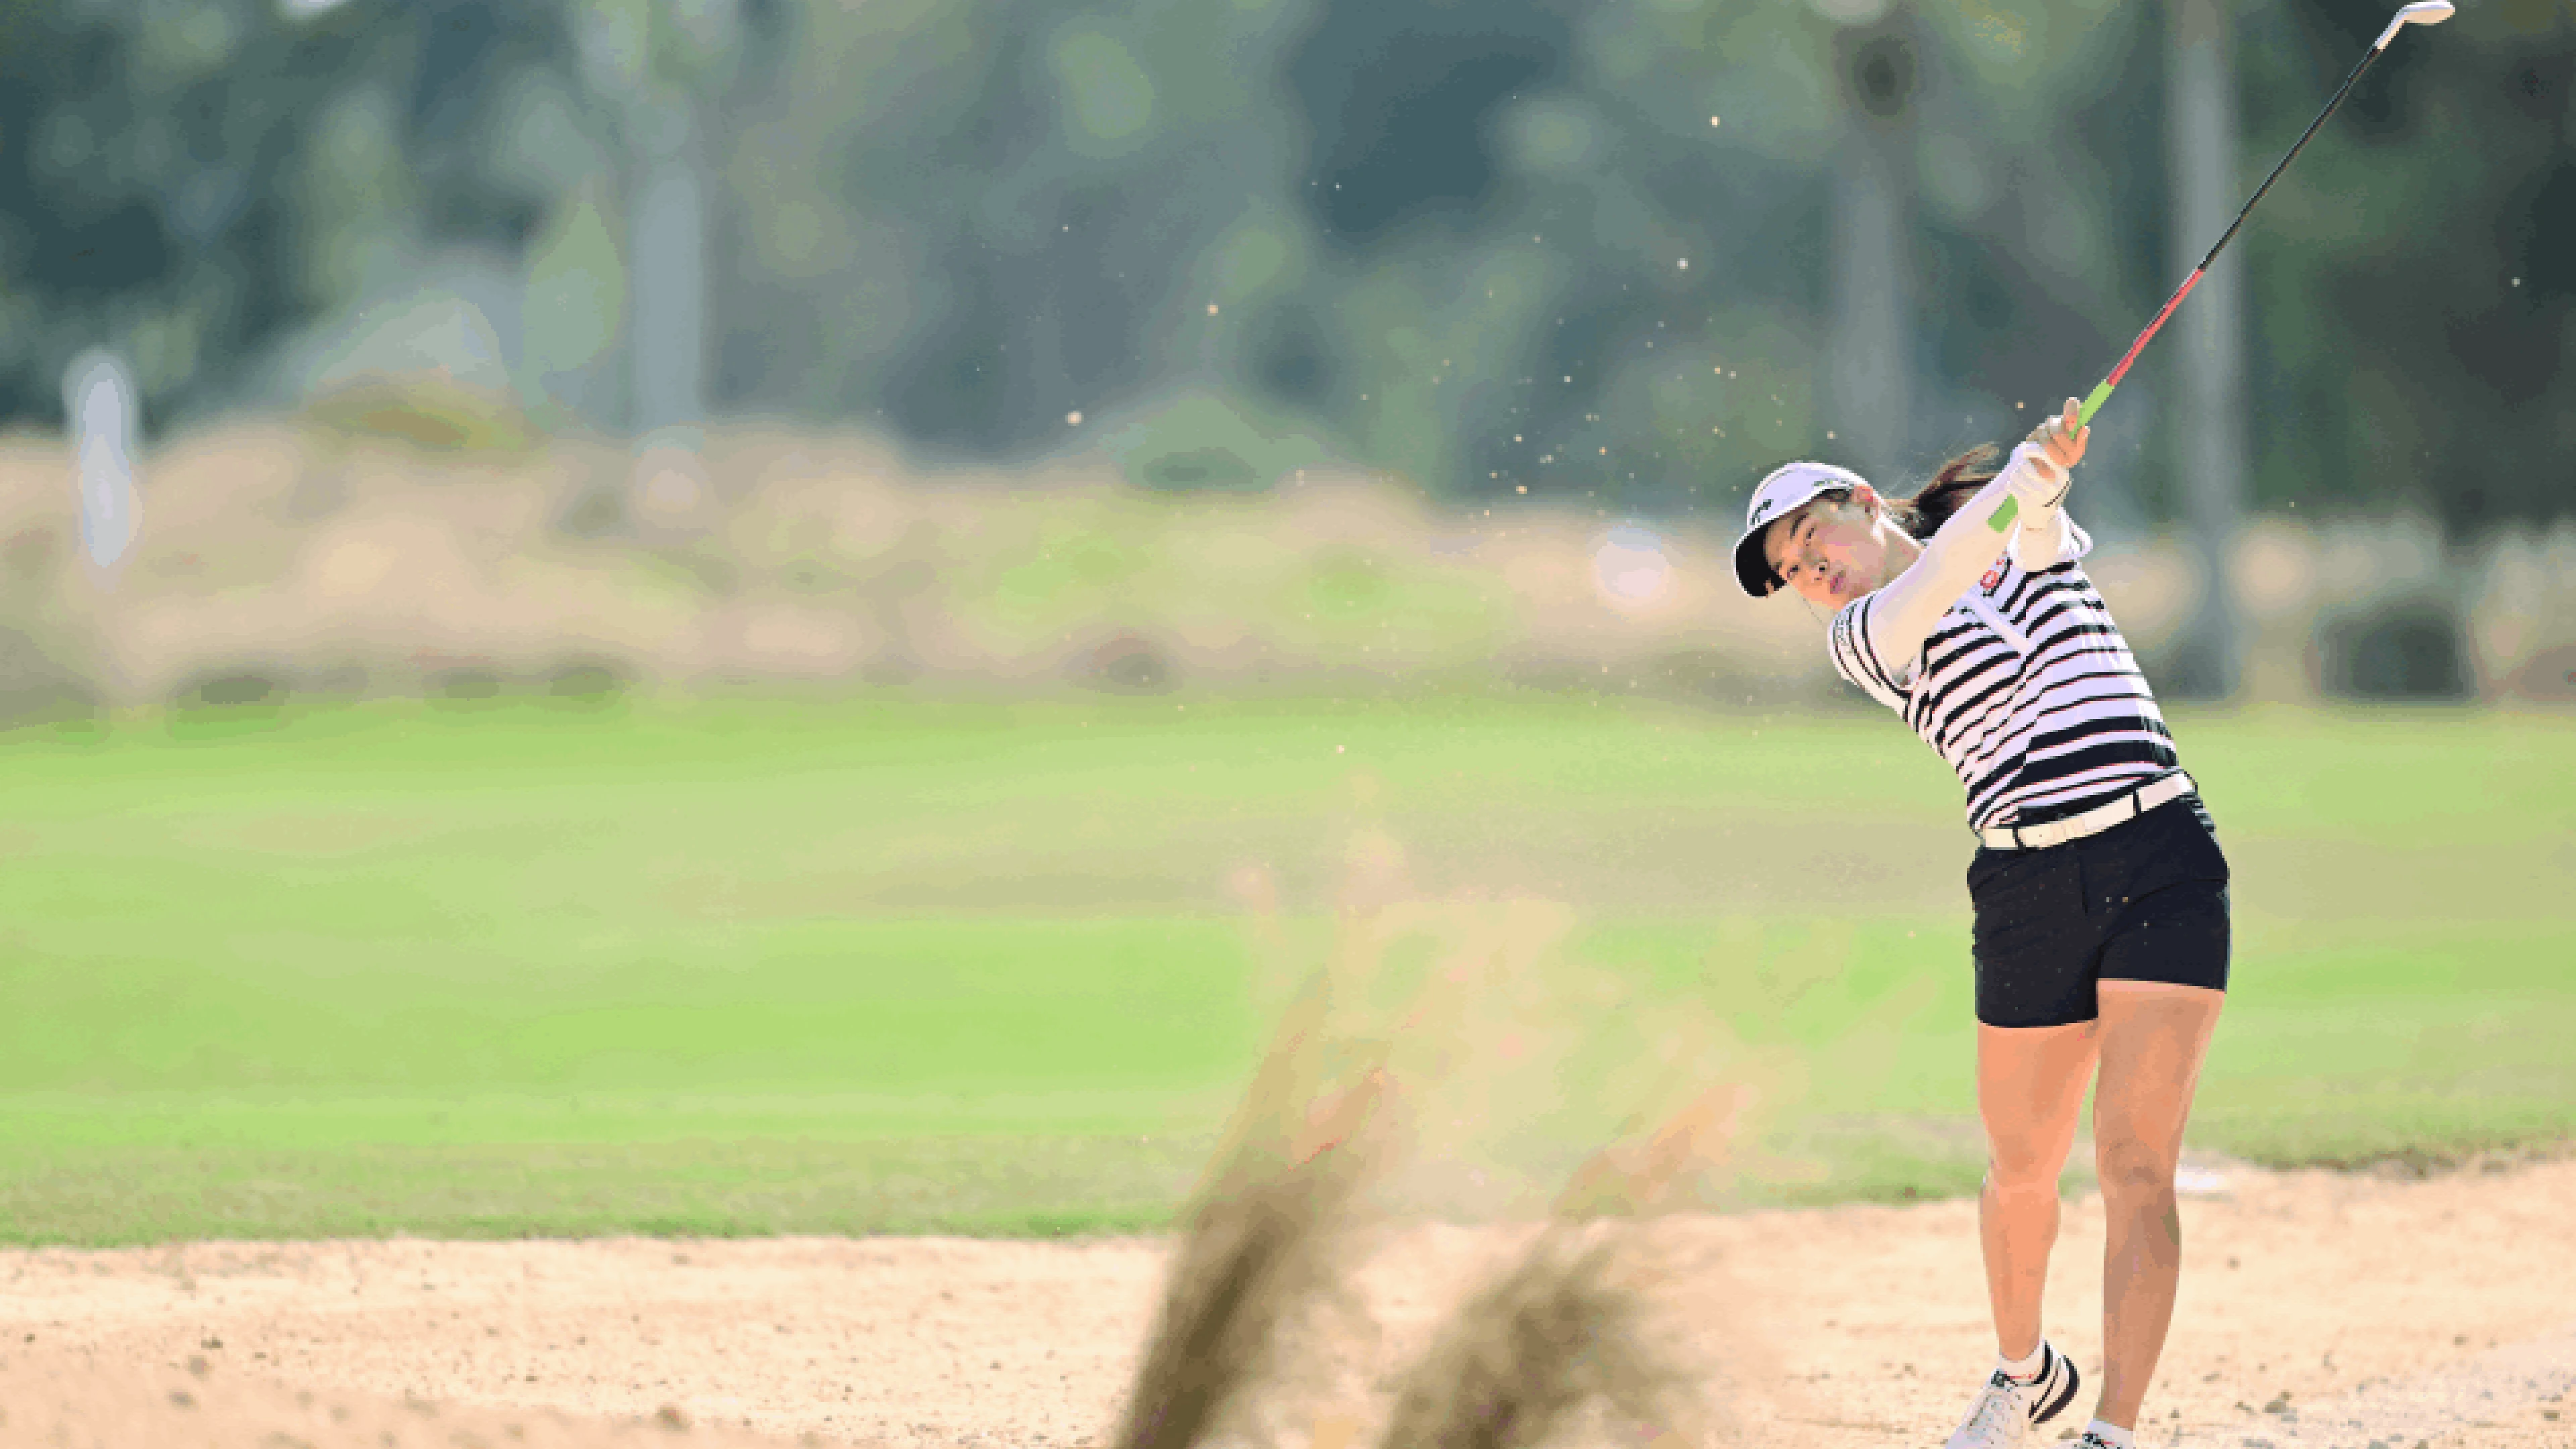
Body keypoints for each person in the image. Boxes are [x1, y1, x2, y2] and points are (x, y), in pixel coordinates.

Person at [1731, 400, 2231, 1449]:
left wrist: (2042, 476)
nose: (1808, 572)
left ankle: (2115, 1431)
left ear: (1861, 501)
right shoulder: (1867, 636)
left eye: (1811, 538)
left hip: (2161, 858)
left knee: (2138, 1161)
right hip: (2026, 889)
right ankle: (2023, 1373)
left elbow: (2031, 530)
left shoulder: (2025, 546)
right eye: (1789, 572)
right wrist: (2021, 479)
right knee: (2021, 1169)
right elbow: (1954, 565)